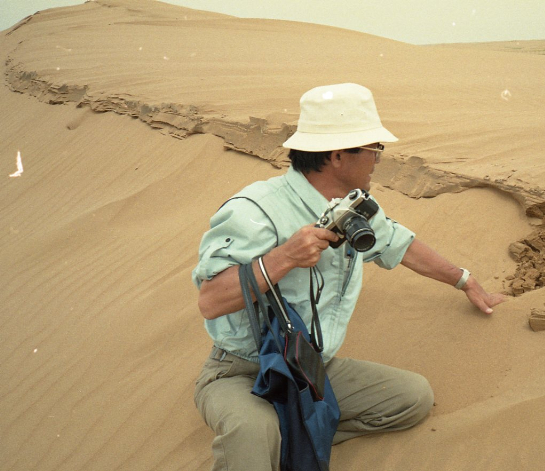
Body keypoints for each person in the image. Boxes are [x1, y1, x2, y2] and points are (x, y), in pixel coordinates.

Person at [192, 83, 506, 470]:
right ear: (339, 156)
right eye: (375, 149)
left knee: (412, 398)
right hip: (241, 368)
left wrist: (465, 280)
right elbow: (210, 301)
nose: (377, 160)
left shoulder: (354, 208)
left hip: (310, 368)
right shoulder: (255, 209)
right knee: (252, 431)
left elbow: (401, 246)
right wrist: (283, 257)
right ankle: (273, 432)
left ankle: (293, 431)